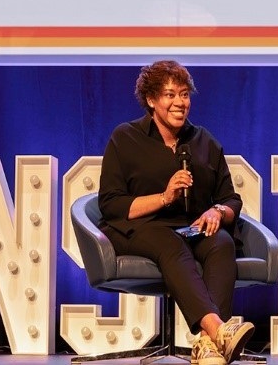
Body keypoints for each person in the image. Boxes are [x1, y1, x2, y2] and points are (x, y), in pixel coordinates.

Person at [98, 60, 254, 365]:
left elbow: (230, 198)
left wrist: (217, 212)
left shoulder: (204, 141)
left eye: (184, 94)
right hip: (140, 227)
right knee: (169, 242)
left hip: (190, 229)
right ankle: (219, 330)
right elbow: (111, 203)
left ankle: (208, 347)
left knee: (221, 242)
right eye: (170, 95)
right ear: (151, 100)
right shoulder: (125, 138)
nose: (179, 103)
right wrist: (164, 197)